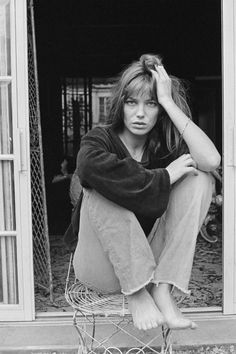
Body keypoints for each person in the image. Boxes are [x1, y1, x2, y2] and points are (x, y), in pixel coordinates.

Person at [72, 54, 221, 331]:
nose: (140, 113)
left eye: (150, 104)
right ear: (121, 105)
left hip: (149, 260)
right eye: (132, 102)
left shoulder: (163, 148)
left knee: (200, 178)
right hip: (100, 264)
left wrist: (168, 101)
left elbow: (211, 161)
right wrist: (165, 177)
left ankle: (162, 289)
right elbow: (87, 168)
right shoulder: (100, 139)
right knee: (99, 184)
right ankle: (137, 292)